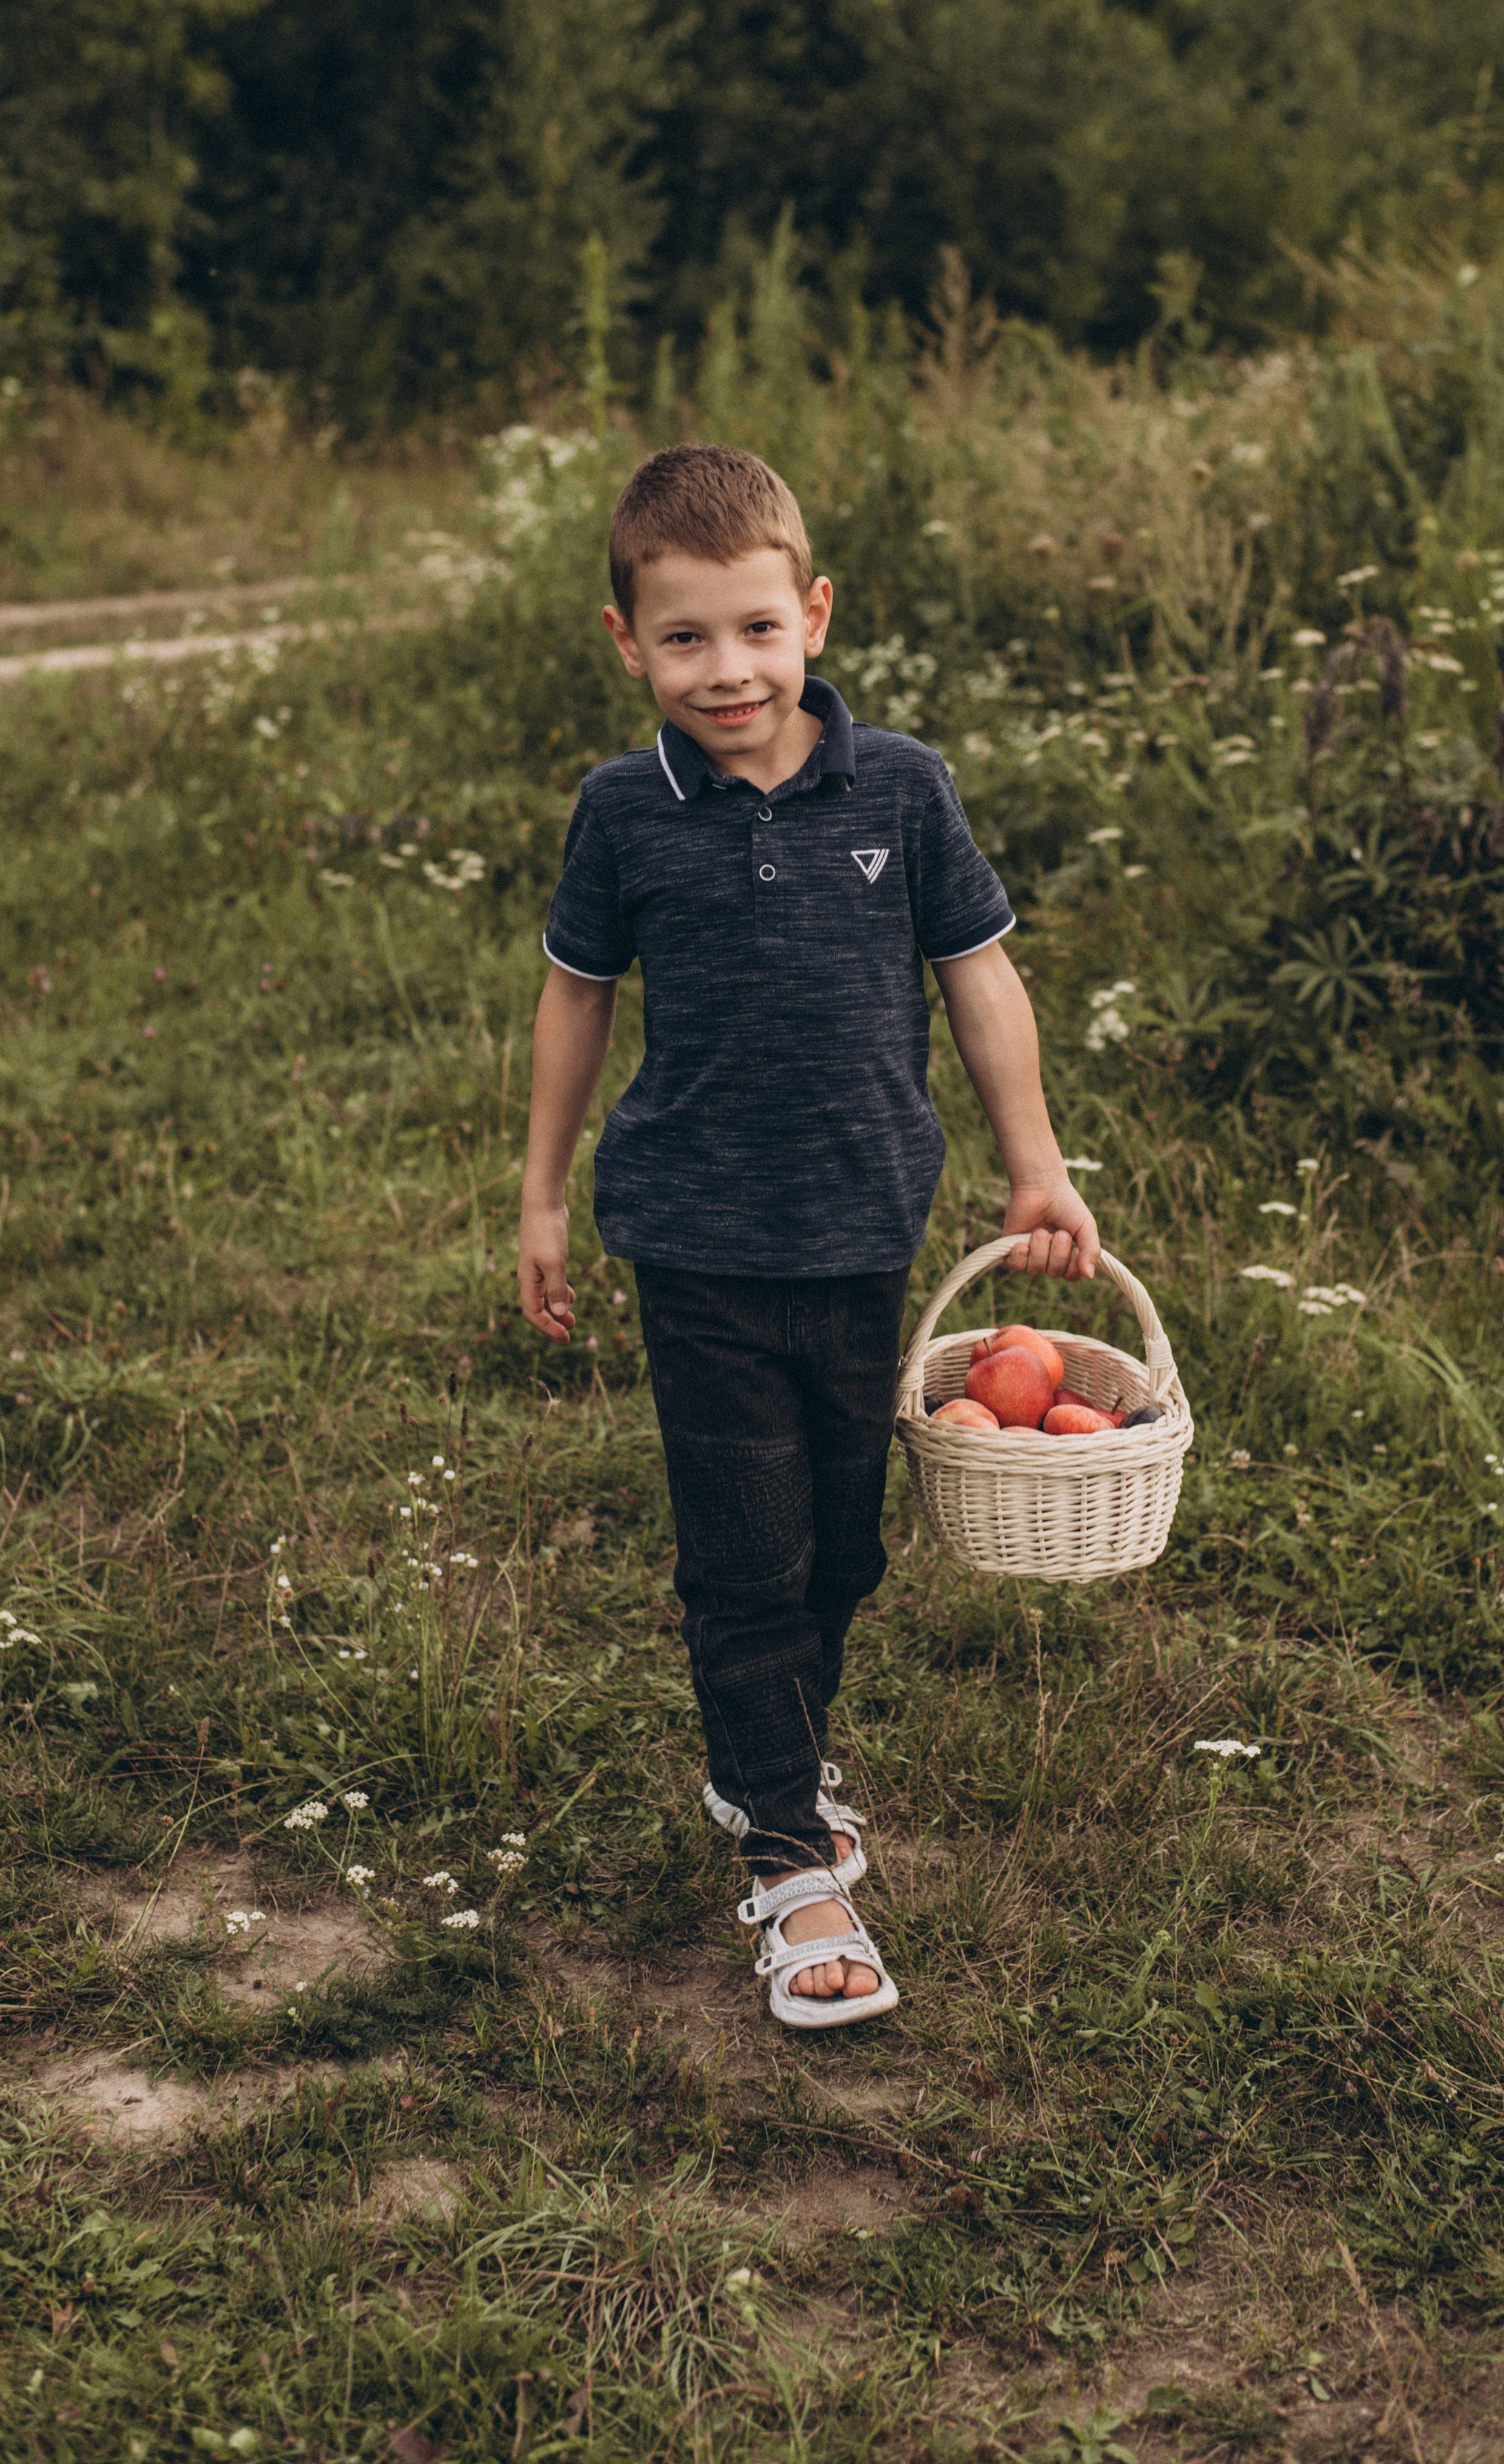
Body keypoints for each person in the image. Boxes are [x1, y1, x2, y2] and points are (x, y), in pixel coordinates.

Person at [517, 442, 1098, 2028]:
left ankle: (761, 1751)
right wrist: (545, 1193)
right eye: (685, 637)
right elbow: (577, 996)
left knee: (844, 1544)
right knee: (746, 1553)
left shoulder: (900, 789)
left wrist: (1030, 1165)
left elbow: (979, 974)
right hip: (692, 1238)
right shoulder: (620, 813)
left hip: (859, 1234)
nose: (727, 669)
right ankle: (787, 1859)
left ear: (815, 615)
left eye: (756, 629)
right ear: (627, 642)